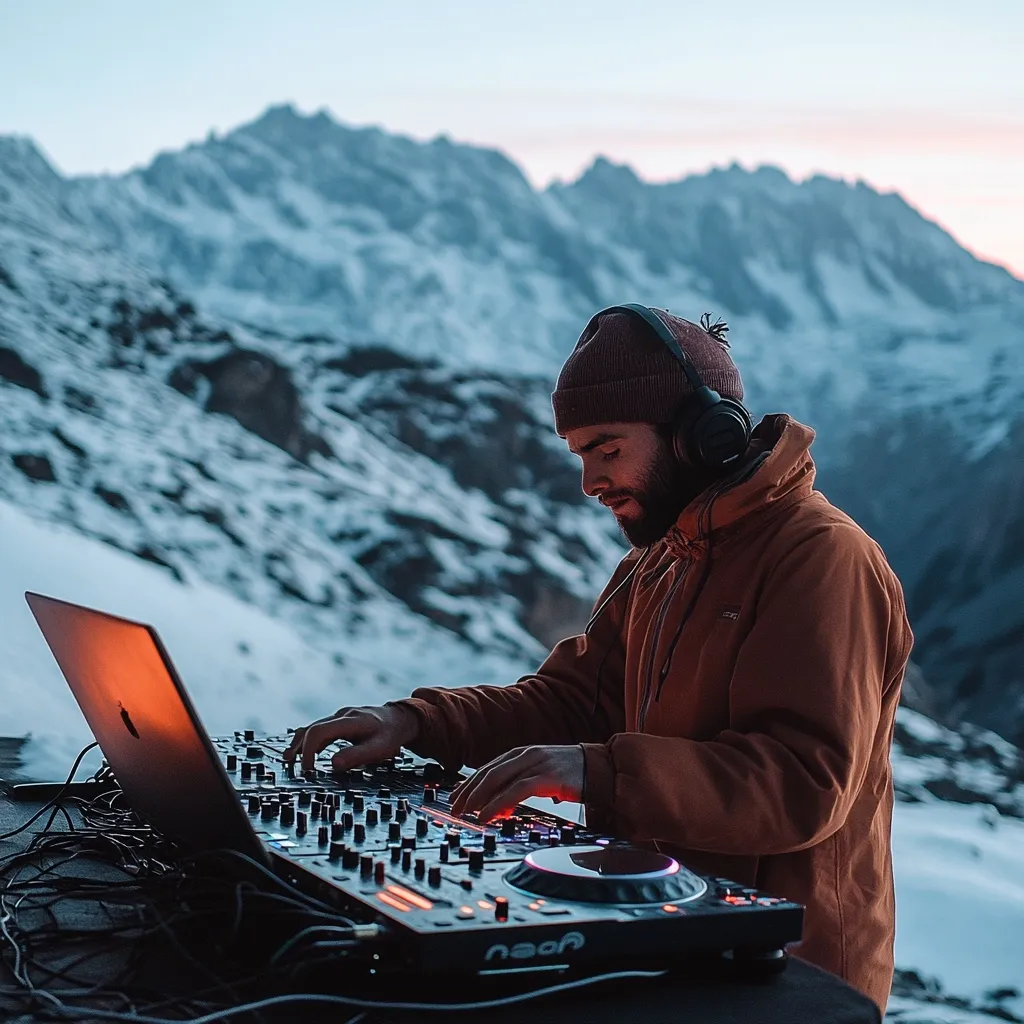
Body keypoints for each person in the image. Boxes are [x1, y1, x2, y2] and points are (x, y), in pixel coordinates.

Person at [284, 306, 913, 1014]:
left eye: (607, 450)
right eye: (579, 454)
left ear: (702, 437)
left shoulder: (822, 557)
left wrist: (600, 771)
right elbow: (568, 705)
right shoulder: (659, 563)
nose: (589, 481)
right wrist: (418, 722)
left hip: (791, 977)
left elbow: (803, 782)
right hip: (671, 940)